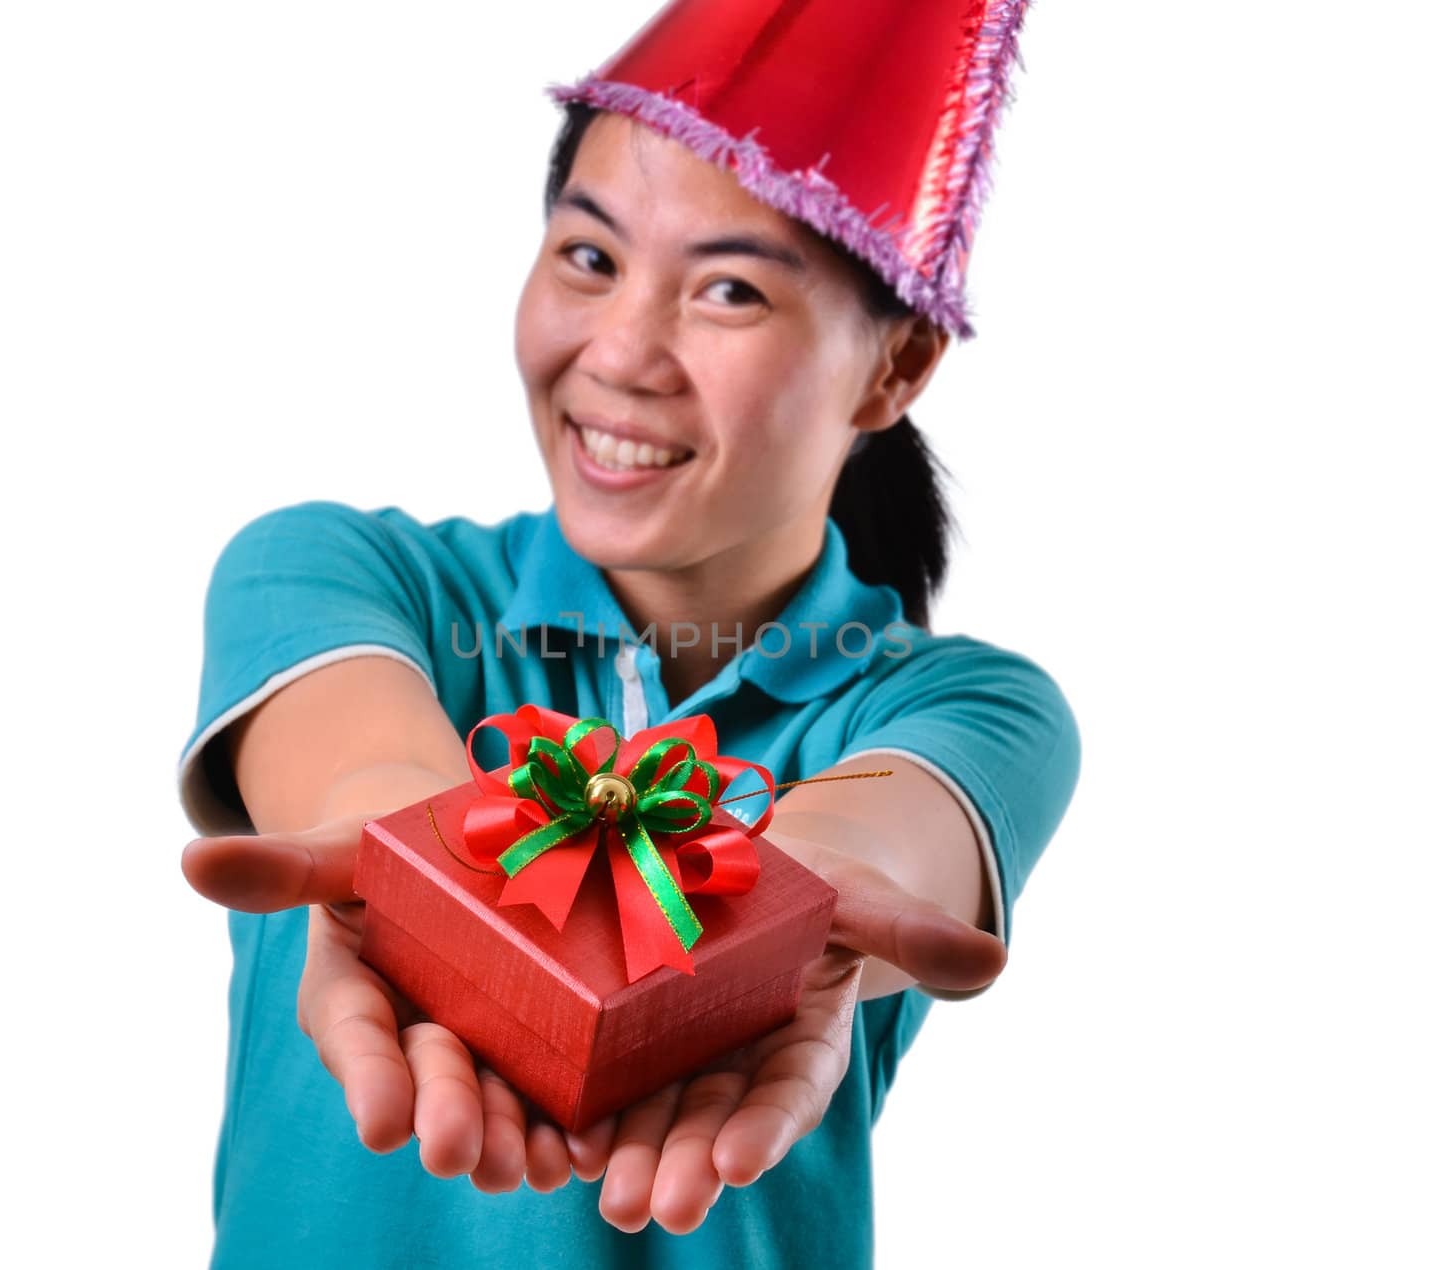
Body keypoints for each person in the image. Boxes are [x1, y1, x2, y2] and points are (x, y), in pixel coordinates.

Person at [177, 2, 1080, 1266]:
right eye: (589, 259)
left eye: (728, 291)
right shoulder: (340, 572)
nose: (620, 353)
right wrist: (415, 880)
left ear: (894, 368)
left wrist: (772, 932)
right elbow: (373, 779)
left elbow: (859, 847)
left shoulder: (968, 706)